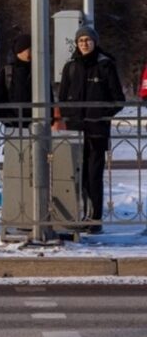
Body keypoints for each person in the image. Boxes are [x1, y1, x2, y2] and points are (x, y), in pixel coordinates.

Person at [58, 26, 125, 234]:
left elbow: (118, 100)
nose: (84, 43)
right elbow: (62, 98)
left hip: (96, 131)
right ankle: (78, 215)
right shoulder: (70, 67)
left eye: (87, 40)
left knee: (94, 175)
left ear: (94, 42)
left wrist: (101, 115)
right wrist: (69, 117)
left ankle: (95, 219)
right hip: (75, 130)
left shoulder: (105, 65)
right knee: (77, 176)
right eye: (80, 40)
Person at [0, 33, 33, 127]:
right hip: (12, 127)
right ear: (21, 50)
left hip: (36, 125)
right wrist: (7, 119)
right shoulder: (5, 72)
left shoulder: (38, 72)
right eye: (30, 48)